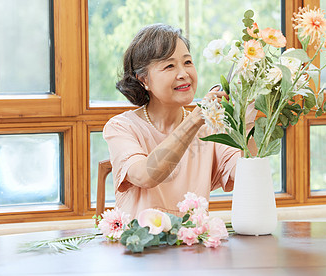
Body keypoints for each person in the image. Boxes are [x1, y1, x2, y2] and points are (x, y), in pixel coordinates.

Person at [103, 23, 256, 218]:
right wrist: (195, 120)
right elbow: (145, 175)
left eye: (188, 62)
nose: (184, 74)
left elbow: (246, 173)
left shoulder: (210, 128)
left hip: (193, 244)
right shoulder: (122, 127)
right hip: (142, 245)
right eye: (169, 66)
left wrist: (249, 114)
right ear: (143, 80)